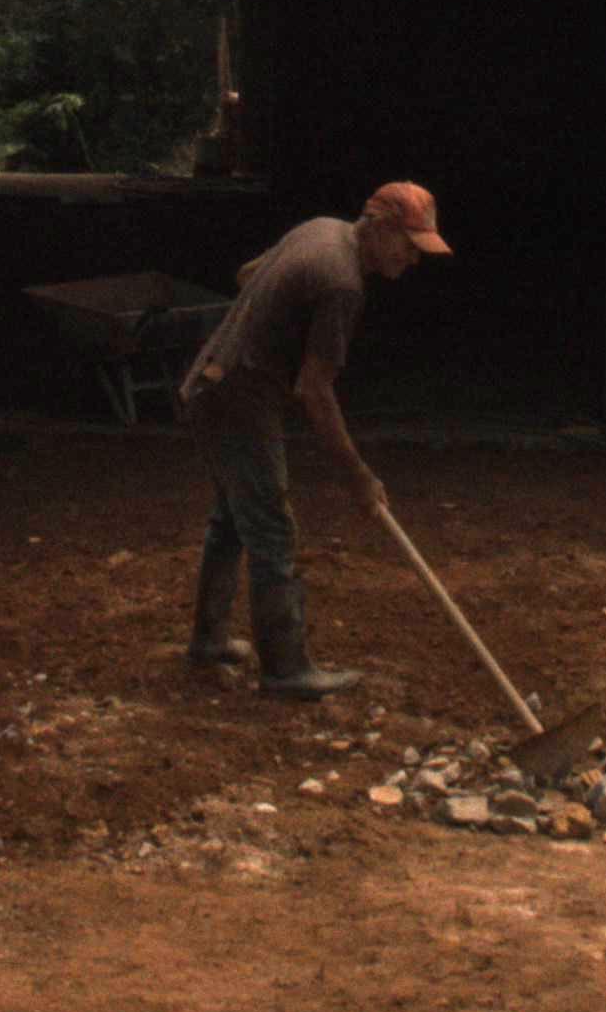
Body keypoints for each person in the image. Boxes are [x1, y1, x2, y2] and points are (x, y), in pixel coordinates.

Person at [174, 181, 448, 700]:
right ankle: (286, 670)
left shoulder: (321, 229)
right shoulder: (342, 283)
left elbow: (248, 274)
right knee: (271, 529)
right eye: (409, 245)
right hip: (238, 399)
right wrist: (358, 475)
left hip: (211, 382)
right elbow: (314, 391)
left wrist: (275, 323)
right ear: (380, 225)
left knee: (232, 520)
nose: (412, 259)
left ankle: (209, 641)